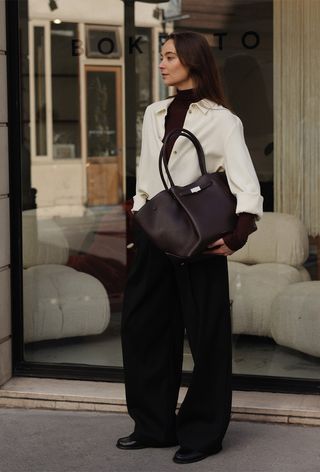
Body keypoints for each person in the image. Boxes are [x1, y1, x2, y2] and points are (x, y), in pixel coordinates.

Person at [116, 31, 263, 464]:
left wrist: (237, 236)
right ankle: (153, 426)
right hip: (154, 235)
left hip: (199, 239)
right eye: (161, 57)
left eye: (168, 57)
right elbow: (146, 174)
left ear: (192, 62)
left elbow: (244, 182)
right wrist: (140, 215)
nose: (161, 65)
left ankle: (202, 433)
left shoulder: (222, 119)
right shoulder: (154, 112)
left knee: (206, 337)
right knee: (143, 330)